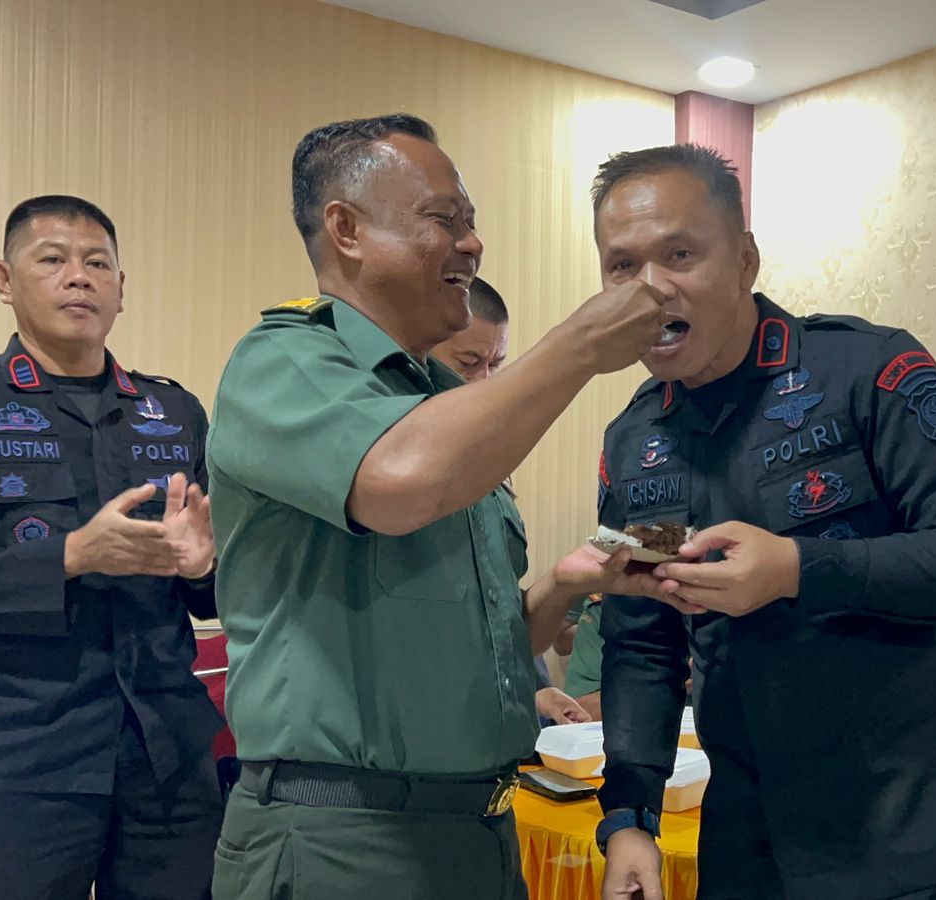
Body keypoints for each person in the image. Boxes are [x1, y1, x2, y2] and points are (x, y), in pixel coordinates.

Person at [206, 114, 673, 899]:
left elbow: (477, 645)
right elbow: (400, 486)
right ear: (346, 229)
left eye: (473, 223)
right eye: (443, 220)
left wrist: (562, 586)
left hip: (479, 830)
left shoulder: (444, 404)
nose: (472, 245)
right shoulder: (282, 360)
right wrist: (580, 344)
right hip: (342, 840)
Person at [590, 144, 936, 900]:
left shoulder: (866, 370)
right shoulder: (633, 440)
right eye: (622, 266)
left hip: (924, 839)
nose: (650, 288)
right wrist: (630, 812)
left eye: (681, 253)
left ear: (744, 262)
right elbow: (642, 638)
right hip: (752, 849)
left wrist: (799, 570)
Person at [0, 195, 223, 899]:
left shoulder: (172, 411)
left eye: (98, 264)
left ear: (123, 287)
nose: (80, 278)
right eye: (53, 260)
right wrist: (68, 557)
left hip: (165, 762)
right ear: (4, 280)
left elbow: (224, 589)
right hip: (13, 762)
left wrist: (206, 567)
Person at [432, 277, 589, 727]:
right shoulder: (397, 464)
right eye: (468, 362)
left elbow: (497, 608)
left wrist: (535, 688)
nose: (483, 382)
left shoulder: (488, 457)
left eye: (496, 364)